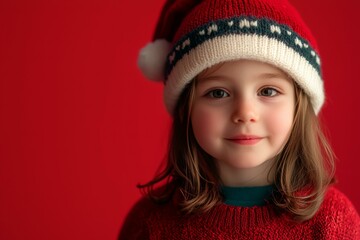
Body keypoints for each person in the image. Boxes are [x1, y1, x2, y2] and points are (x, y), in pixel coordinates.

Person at [119, 0, 360, 239]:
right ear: (186, 109)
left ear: (299, 106)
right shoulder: (149, 223)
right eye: (218, 93)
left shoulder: (333, 222)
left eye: (267, 91)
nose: (245, 113)